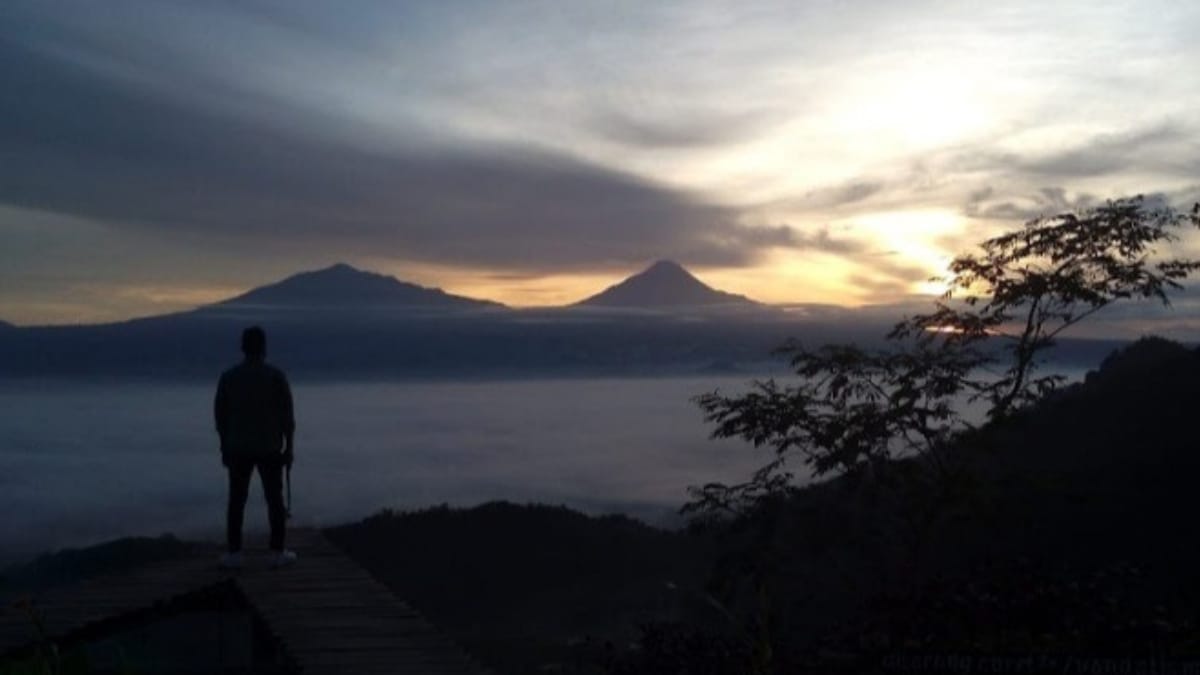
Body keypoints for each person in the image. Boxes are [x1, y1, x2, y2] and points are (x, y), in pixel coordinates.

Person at [214, 326, 296, 569]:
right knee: (274, 499)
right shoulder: (275, 376)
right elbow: (287, 417)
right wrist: (289, 448)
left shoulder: (229, 377)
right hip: (270, 447)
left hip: (237, 447)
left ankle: (235, 552)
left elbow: (220, 417)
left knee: (237, 500)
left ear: (243, 347)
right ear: (264, 348)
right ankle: (277, 551)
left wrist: (224, 447)